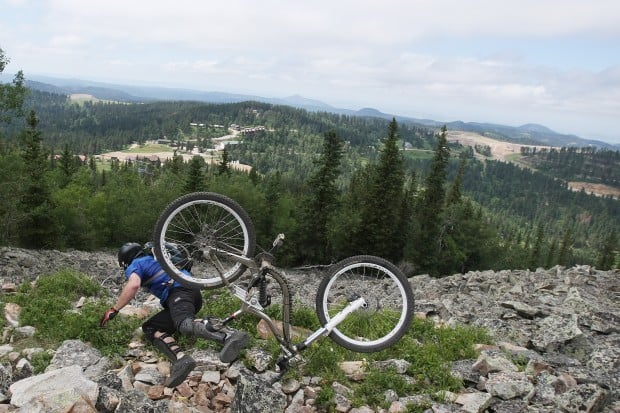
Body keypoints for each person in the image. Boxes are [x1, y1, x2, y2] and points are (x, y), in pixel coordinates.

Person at [100, 242, 249, 387]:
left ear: (125, 260)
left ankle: (228, 335)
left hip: (179, 292)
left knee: (184, 325)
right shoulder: (153, 259)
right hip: (190, 293)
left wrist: (114, 309)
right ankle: (181, 360)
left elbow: (133, 285)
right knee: (152, 328)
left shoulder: (136, 264)